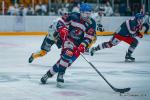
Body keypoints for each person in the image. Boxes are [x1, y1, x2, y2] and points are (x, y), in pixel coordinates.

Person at [40, 3, 96, 87]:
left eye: (89, 13)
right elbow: (60, 21)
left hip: (79, 44)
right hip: (68, 40)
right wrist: (62, 29)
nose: (88, 15)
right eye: (86, 13)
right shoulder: (73, 16)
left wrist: (83, 45)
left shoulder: (92, 23)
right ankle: (60, 75)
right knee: (67, 54)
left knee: (66, 62)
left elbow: (89, 37)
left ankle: (48, 74)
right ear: (81, 12)